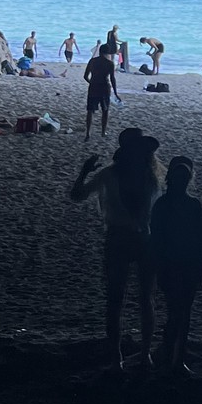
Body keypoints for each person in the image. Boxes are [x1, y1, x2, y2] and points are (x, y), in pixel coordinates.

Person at [70, 132, 162, 370]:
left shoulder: (125, 175)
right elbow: (77, 196)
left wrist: (84, 173)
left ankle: (131, 355)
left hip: (129, 237)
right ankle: (129, 355)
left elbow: (77, 195)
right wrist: (84, 172)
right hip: (134, 237)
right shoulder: (145, 176)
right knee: (130, 298)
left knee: (128, 298)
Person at [151, 157, 202, 375]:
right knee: (179, 312)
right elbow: (157, 240)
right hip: (174, 264)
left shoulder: (175, 205)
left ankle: (175, 356)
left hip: (184, 264)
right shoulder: (175, 205)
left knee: (181, 312)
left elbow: (200, 239)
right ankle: (173, 356)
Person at [83, 44, 121, 141]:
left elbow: (85, 76)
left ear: (99, 51)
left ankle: (88, 133)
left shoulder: (92, 61)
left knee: (90, 111)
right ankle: (103, 132)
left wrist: (91, 83)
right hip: (104, 87)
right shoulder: (110, 63)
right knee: (105, 110)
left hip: (93, 87)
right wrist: (115, 93)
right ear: (108, 53)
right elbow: (112, 79)